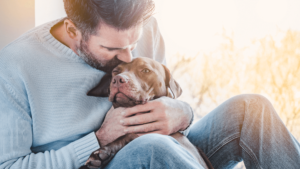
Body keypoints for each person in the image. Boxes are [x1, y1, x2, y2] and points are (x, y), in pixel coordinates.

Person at [0, 0, 299, 169]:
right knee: (153, 147)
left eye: (134, 42)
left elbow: (169, 95)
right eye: (113, 51)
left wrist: (182, 112)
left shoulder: (142, 30)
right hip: (104, 163)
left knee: (250, 108)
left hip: (168, 149)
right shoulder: (15, 67)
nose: (129, 55)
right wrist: (99, 139)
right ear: (72, 30)